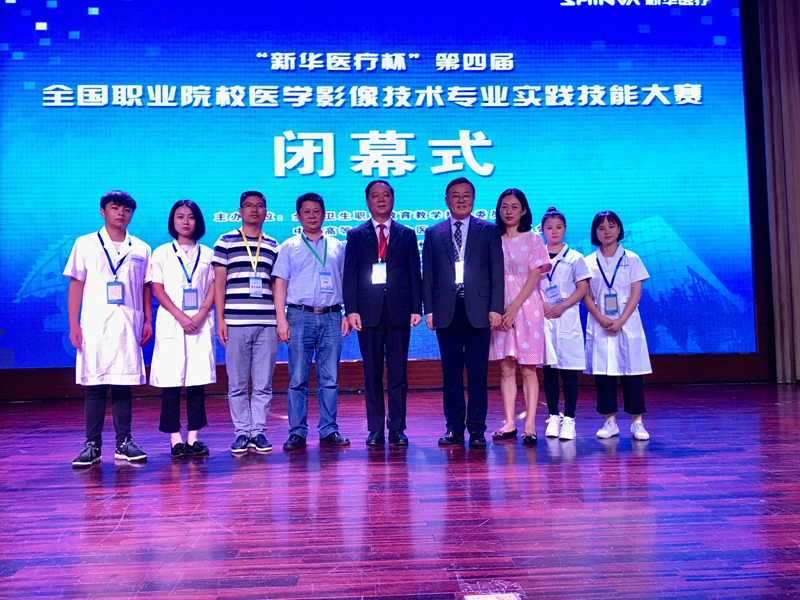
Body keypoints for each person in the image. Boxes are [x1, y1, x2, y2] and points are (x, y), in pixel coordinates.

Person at [65, 190, 152, 467]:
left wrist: (148, 320)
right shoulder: (85, 243)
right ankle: (92, 445)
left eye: (126, 209)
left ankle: (124, 442)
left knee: (123, 385)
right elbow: (76, 283)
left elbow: (145, 286)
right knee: (95, 386)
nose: (121, 213)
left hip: (128, 324)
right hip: (95, 324)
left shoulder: (141, 248)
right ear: (103, 211)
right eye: (115, 208)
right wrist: (73, 323)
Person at [422, 177, 504, 448]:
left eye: (466, 195)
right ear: (446, 200)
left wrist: (496, 308)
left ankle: (477, 429)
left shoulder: (488, 230)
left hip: (479, 310)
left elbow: (496, 272)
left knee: (478, 372)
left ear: (473, 199)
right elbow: (428, 274)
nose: (461, 200)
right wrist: (429, 310)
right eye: (455, 195)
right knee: (451, 372)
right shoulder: (433, 232)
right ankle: (454, 427)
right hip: (446, 310)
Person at [343, 180, 423, 447]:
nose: (380, 199)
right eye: (375, 196)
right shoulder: (356, 235)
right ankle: (375, 429)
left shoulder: (406, 234)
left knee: (399, 375)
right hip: (368, 314)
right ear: (367, 201)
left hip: (400, 312)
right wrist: (351, 310)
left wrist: (417, 307)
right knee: (372, 374)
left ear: (393, 199)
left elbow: (414, 273)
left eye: (385, 195)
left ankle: (397, 428)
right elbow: (350, 276)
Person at [273, 192, 352, 451]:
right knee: (297, 378)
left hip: (332, 316)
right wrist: (281, 319)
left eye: (316, 211)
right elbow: (280, 284)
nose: (311, 216)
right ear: (298, 216)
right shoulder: (289, 247)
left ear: (325, 214)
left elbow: (346, 282)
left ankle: (329, 429)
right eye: (306, 211)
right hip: (299, 316)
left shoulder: (338, 246)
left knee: (329, 379)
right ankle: (297, 432)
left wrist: (347, 312)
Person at [212, 191, 280, 454]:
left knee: (263, 384)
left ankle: (258, 432)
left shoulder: (273, 244)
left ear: (266, 211)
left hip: (267, 323)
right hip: (236, 321)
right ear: (239, 211)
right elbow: (219, 283)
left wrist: (280, 319)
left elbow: (276, 285)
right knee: (237, 384)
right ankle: (242, 432)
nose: (254, 210)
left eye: (259, 206)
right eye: (249, 205)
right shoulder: (225, 241)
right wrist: (220, 319)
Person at [149, 200, 216, 458]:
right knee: (172, 383)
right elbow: (157, 289)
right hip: (172, 322)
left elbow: (213, 287)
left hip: (199, 322)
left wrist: (200, 314)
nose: (185, 221)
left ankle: (193, 438)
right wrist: (180, 316)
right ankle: (175, 439)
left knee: (197, 382)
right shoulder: (162, 253)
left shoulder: (208, 254)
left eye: (190, 217)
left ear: (198, 221)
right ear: (172, 221)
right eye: (180, 216)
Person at [583, 210, 652, 441]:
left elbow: (636, 293)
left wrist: (621, 320)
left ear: (619, 229)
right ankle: (609, 421)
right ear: (595, 232)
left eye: (611, 226)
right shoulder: (587, 262)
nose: (607, 232)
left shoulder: (632, 259)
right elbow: (585, 295)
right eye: (601, 228)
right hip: (600, 322)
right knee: (604, 373)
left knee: (632, 372)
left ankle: (637, 422)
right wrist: (601, 319)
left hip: (627, 322)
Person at [489, 189, 550, 446]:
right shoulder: (492, 239)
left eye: (515, 206)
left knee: (528, 368)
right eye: (504, 206)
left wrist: (514, 307)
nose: (509, 211)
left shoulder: (533, 239)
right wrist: (500, 309)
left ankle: (530, 425)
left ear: (524, 210)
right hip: (499, 307)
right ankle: (509, 423)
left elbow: (535, 275)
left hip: (527, 307)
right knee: (506, 367)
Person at [538, 207, 591, 441]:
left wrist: (562, 306)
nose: (554, 231)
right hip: (544, 318)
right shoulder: (537, 255)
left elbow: (582, 287)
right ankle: (553, 416)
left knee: (569, 373)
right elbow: (530, 285)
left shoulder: (575, 258)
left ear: (565, 229)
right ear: (542, 230)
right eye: (549, 228)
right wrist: (542, 305)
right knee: (549, 371)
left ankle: (569, 419)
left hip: (567, 316)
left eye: (558, 227)